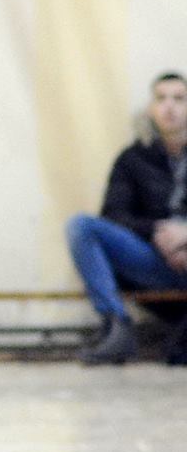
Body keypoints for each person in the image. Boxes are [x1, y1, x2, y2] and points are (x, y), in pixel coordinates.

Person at [67, 71, 187, 365]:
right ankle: (116, 327)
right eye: (161, 98)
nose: (170, 106)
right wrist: (158, 231)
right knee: (81, 227)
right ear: (151, 108)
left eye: (179, 99)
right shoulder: (133, 159)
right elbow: (113, 215)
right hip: (156, 262)